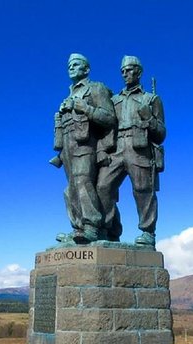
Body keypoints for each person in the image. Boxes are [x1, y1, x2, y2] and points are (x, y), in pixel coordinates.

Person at [96, 55, 166, 246]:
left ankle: (147, 233)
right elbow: (105, 128)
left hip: (139, 149)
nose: (125, 73)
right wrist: (102, 150)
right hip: (116, 148)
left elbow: (161, 134)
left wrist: (149, 119)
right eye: (123, 71)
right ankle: (110, 230)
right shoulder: (114, 100)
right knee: (102, 187)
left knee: (143, 190)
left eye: (129, 69)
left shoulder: (151, 99)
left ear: (139, 72)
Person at [51, 53, 116, 244]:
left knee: (82, 183)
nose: (71, 67)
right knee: (70, 189)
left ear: (86, 69)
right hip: (68, 148)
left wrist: (84, 108)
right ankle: (78, 228)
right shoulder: (68, 95)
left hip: (87, 145)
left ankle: (92, 227)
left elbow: (109, 117)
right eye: (69, 65)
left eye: (76, 64)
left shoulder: (96, 88)